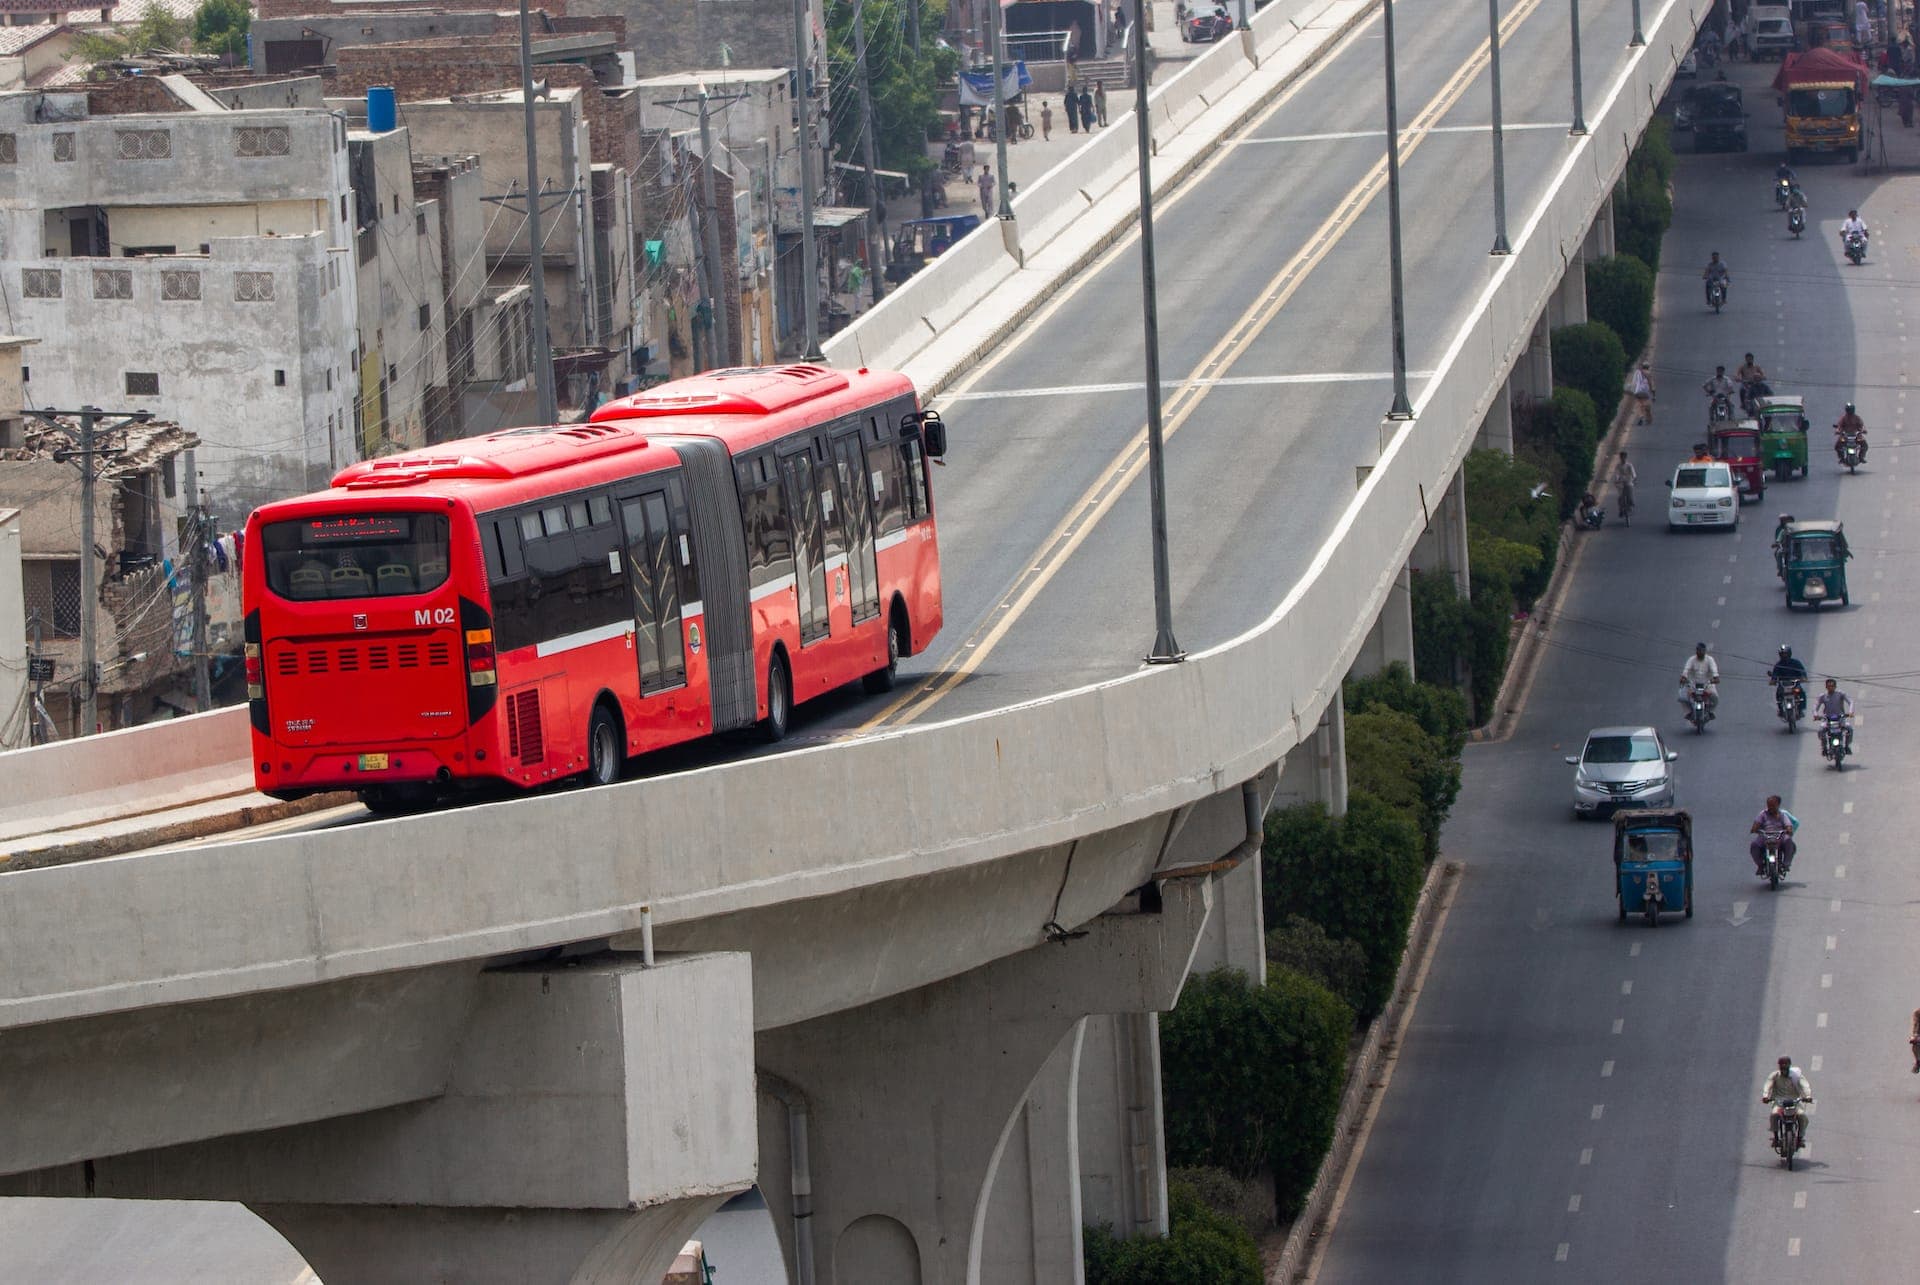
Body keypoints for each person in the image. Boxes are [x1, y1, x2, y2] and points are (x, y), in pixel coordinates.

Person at [1761, 1056, 1814, 1145]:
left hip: (1795, 1102)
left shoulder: (1796, 1076)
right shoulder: (1775, 1075)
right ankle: (1776, 1137)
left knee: (1802, 1116)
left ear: (1789, 1065)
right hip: (1779, 1102)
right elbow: (1768, 1084)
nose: (1784, 1066)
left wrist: (1808, 1096)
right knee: (1774, 1115)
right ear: (1779, 1065)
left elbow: (1805, 1086)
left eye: (1786, 1064)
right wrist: (1765, 1096)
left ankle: (1800, 1138)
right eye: (1782, 1064)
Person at [1749, 794, 1800, 874]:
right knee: (1754, 845)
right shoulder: (1763, 814)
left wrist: (1788, 830)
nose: (1770, 807)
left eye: (1773, 805)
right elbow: (1756, 824)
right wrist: (1755, 828)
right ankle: (1760, 865)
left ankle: (1786, 864)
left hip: (1779, 836)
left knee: (1788, 841)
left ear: (1778, 805)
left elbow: (1788, 825)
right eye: (1769, 805)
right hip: (1765, 836)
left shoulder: (1783, 815)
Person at [1813, 677, 1855, 751]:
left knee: (1849, 729)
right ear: (1826, 687)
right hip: (1827, 719)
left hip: (1840, 719)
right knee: (1821, 730)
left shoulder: (1840, 694)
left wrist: (1850, 712)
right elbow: (1815, 706)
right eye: (1829, 686)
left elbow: (1850, 702)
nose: (1830, 688)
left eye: (1832, 686)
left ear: (1835, 687)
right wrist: (1815, 715)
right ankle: (1824, 747)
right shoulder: (1822, 696)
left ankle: (1847, 746)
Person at [1681, 641, 1720, 718]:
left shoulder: (1710, 660)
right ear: (1696, 651)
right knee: (1682, 697)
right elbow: (1686, 670)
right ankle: (1688, 712)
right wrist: (1684, 678)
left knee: (1715, 698)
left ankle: (1710, 712)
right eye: (1698, 650)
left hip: (1707, 685)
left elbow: (1714, 671)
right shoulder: (1691, 659)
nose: (1700, 652)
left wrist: (1715, 678)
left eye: (1702, 651)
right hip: (1693, 685)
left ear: (1705, 651)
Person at [1770, 645, 1809, 719]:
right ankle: (1781, 710)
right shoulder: (1778, 665)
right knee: (1778, 694)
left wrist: (1804, 678)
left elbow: (1802, 671)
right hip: (1783, 684)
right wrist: (1773, 680)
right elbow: (1775, 675)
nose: (1784, 655)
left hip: (1794, 683)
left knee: (1802, 693)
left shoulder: (1796, 663)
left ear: (1789, 653)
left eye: (1785, 653)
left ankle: (1800, 710)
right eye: (1782, 654)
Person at [1613, 451, 1637, 517]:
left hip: (1628, 481)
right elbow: (1616, 474)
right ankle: (1621, 510)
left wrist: (1634, 478)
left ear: (1626, 458)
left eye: (1624, 457)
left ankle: (1630, 506)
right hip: (1621, 482)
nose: (1623, 459)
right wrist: (1616, 480)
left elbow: (1633, 473)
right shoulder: (1618, 466)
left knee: (1630, 495)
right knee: (1620, 497)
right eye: (1622, 458)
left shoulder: (1629, 465)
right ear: (1620, 458)